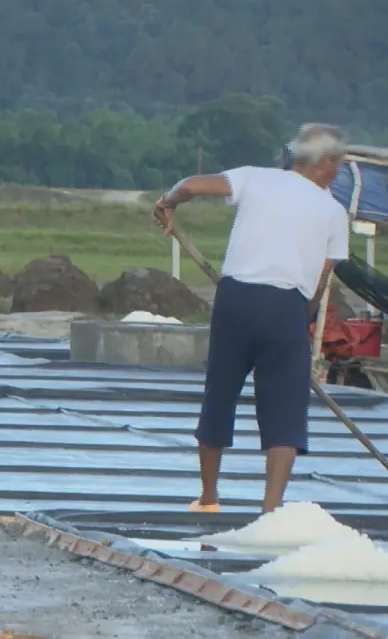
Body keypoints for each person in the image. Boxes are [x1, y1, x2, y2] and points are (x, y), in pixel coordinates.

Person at [152, 123, 349, 516]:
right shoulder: (334, 212)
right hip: (288, 306)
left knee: (219, 394)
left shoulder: (255, 179)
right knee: (285, 410)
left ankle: (209, 496)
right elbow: (319, 282)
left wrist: (167, 203)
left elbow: (191, 185)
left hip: (236, 300)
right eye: (339, 164)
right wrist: (297, 320)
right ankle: (270, 509)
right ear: (324, 163)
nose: (339, 171)